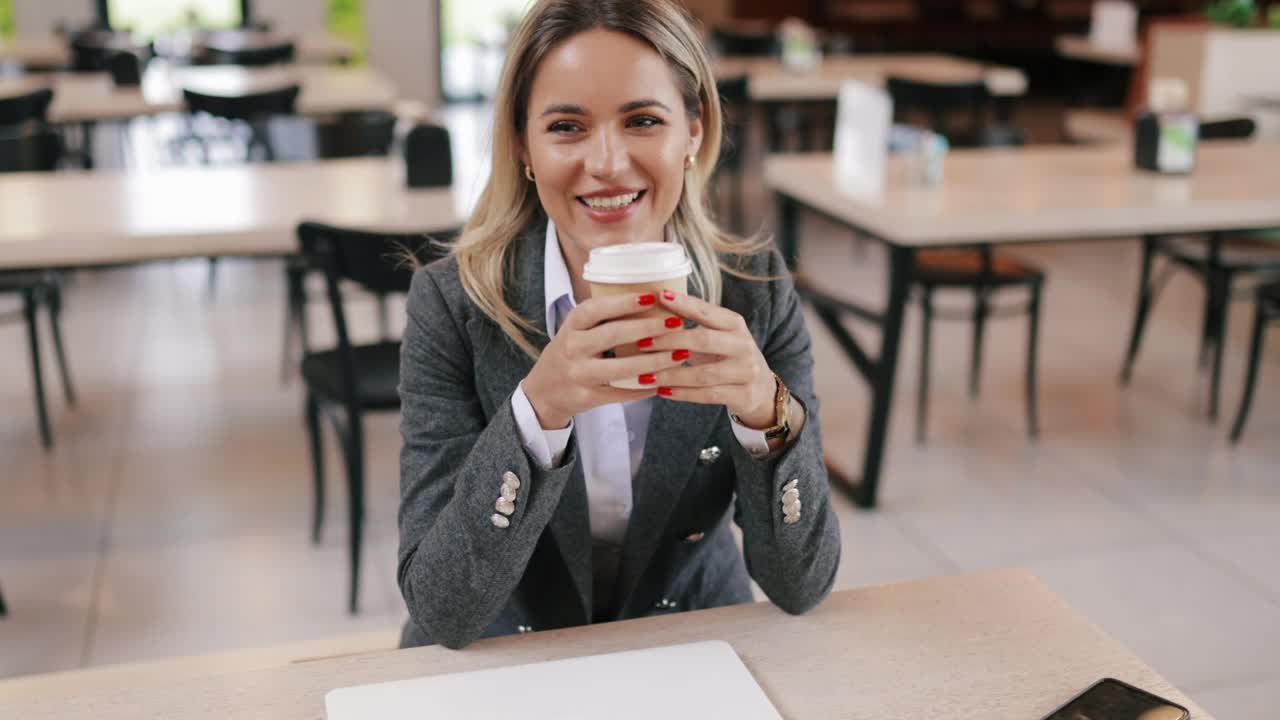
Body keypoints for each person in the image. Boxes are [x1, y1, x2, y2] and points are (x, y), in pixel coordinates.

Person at [397, 0, 840, 650]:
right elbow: (441, 611)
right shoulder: (452, 304)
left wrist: (767, 414)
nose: (606, 162)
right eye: (567, 127)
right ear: (523, 145)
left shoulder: (753, 293)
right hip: (507, 653)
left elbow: (802, 587)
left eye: (642, 120)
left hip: (688, 636)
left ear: (693, 132)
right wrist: (537, 413)